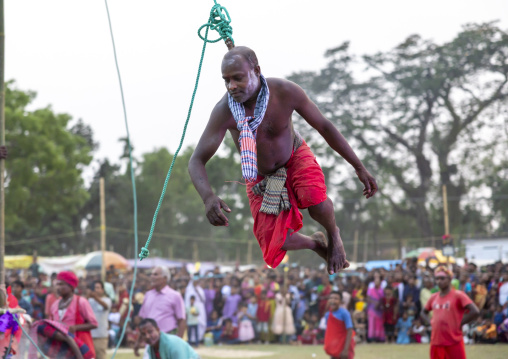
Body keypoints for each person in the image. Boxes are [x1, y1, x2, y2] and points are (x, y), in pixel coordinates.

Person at [188, 46, 378, 275]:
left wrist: (359, 167)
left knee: (315, 200)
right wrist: (208, 197)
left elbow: (324, 127)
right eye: (226, 80)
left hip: (294, 156)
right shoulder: (224, 110)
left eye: (238, 78)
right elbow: (196, 160)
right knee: (277, 243)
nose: (231, 86)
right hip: (259, 174)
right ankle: (315, 243)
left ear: (256, 71)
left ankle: (333, 233)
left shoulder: (285, 92)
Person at [31, 271, 98, 359]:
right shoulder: (55, 305)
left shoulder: (81, 301)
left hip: (81, 347)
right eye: (57, 284)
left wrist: (75, 328)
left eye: (61, 284)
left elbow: (94, 324)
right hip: (63, 351)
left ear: (71, 286)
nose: (58, 287)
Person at [421, 266, 479, 359]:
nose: (439, 281)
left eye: (442, 278)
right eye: (437, 279)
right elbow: (423, 312)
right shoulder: (433, 297)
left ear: (449, 279)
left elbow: (475, 311)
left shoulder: (458, 295)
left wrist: (460, 323)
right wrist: (431, 322)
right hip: (436, 342)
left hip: (453, 341)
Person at [136, 266, 186, 356]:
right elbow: (144, 322)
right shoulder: (148, 295)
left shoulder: (175, 296)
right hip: (150, 343)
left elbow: (181, 320)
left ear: (165, 278)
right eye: (151, 274)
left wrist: (178, 342)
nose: (152, 276)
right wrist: (138, 341)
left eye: (155, 274)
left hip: (168, 341)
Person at [323, 291, 354, 359]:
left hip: (344, 346)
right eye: (331, 298)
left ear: (340, 301)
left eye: (336, 298)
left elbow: (349, 331)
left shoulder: (344, 313)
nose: (333, 300)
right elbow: (330, 332)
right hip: (334, 347)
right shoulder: (327, 315)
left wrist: (346, 350)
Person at [88, 280, 112, 359]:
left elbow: (105, 306)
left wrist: (95, 297)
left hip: (101, 334)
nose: (96, 290)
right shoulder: (90, 300)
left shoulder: (107, 300)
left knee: (101, 356)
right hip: (90, 334)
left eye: (98, 288)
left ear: (102, 290)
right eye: (95, 288)